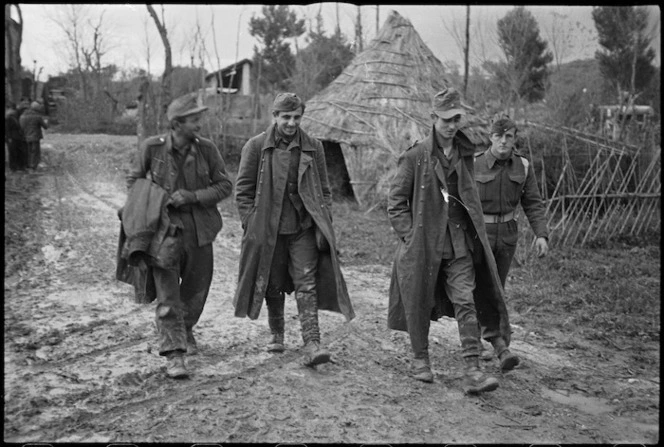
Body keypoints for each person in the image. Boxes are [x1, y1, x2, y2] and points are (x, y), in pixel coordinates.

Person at [387, 87, 518, 395]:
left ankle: (473, 370)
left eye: (456, 118)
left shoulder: (464, 153)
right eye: (445, 119)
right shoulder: (416, 156)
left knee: (466, 300)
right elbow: (395, 202)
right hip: (423, 246)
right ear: (433, 118)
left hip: (458, 243)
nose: (450, 125)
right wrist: (410, 236)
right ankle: (420, 358)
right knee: (418, 301)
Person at [233, 92, 354, 367]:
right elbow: (242, 191)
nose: (291, 123)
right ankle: (277, 332)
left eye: (296, 117)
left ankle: (312, 343)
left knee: (306, 283)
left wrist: (325, 220)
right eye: (285, 117)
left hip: (303, 228)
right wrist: (251, 224)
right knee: (273, 282)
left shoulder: (313, 147)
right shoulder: (256, 147)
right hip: (269, 229)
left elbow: (324, 190)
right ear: (274, 117)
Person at [126, 92, 233, 378]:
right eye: (194, 120)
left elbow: (224, 186)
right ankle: (174, 354)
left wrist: (194, 196)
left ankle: (184, 330)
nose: (199, 124)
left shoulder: (207, 150)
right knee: (168, 294)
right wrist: (149, 204)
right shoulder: (152, 148)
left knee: (196, 291)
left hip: (200, 232)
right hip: (164, 233)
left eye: (199, 119)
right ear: (177, 123)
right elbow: (134, 180)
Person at [474, 115, 549, 289]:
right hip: (479, 235)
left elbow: (533, 203)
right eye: (498, 136)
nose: (503, 141)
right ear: (490, 137)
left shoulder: (522, 166)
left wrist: (541, 234)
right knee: (475, 288)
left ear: (514, 139)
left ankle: (496, 317)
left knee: (497, 289)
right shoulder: (474, 164)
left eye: (508, 136)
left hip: (507, 237)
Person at [19, 101, 48, 170]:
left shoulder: (22, 116)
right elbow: (45, 127)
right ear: (37, 108)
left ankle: (28, 165)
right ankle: (33, 166)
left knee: (28, 151)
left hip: (26, 137)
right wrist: (46, 122)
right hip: (35, 137)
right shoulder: (37, 116)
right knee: (35, 152)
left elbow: (21, 127)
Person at [5, 102, 26, 172]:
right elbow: (7, 129)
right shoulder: (8, 118)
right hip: (12, 137)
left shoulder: (15, 117)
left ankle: (19, 166)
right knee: (12, 152)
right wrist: (9, 138)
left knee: (19, 151)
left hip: (17, 136)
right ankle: (13, 167)